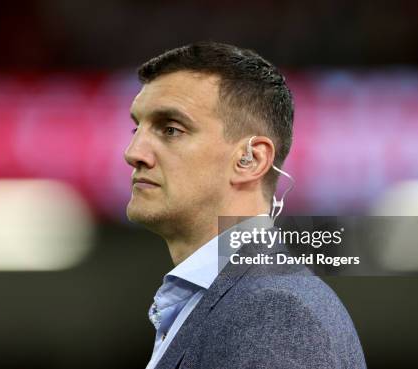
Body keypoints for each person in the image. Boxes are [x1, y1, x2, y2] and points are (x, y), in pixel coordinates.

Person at [124, 41, 366, 369]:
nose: (133, 152)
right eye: (137, 128)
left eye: (170, 129)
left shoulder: (274, 312)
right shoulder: (236, 299)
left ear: (250, 160)